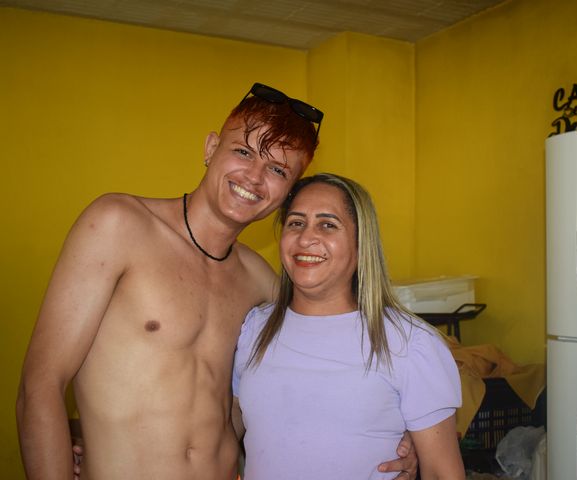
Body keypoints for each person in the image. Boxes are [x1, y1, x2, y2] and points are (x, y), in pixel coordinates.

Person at [16, 83, 417, 480]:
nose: (254, 177)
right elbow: (40, 386)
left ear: (288, 192)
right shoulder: (118, 225)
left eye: (277, 170)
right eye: (243, 152)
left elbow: (354, 348)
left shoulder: (261, 281)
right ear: (211, 149)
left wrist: (413, 430)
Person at [232, 173, 465, 479]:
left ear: (360, 242)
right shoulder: (254, 330)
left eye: (327, 224)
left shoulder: (409, 342)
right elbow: (225, 433)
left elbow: (442, 473)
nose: (306, 238)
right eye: (296, 223)